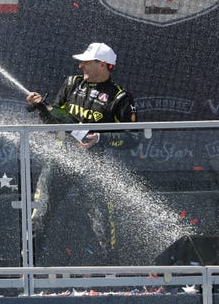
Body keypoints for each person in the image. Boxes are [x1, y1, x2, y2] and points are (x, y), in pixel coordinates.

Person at [25, 42, 138, 266]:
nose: (81, 66)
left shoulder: (120, 97)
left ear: (103, 65)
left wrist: (101, 138)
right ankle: (27, 271)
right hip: (60, 160)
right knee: (38, 215)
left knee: (102, 222)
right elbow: (53, 119)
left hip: (94, 167)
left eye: (86, 62)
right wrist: (40, 106)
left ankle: (112, 274)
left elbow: (132, 138)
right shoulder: (71, 84)